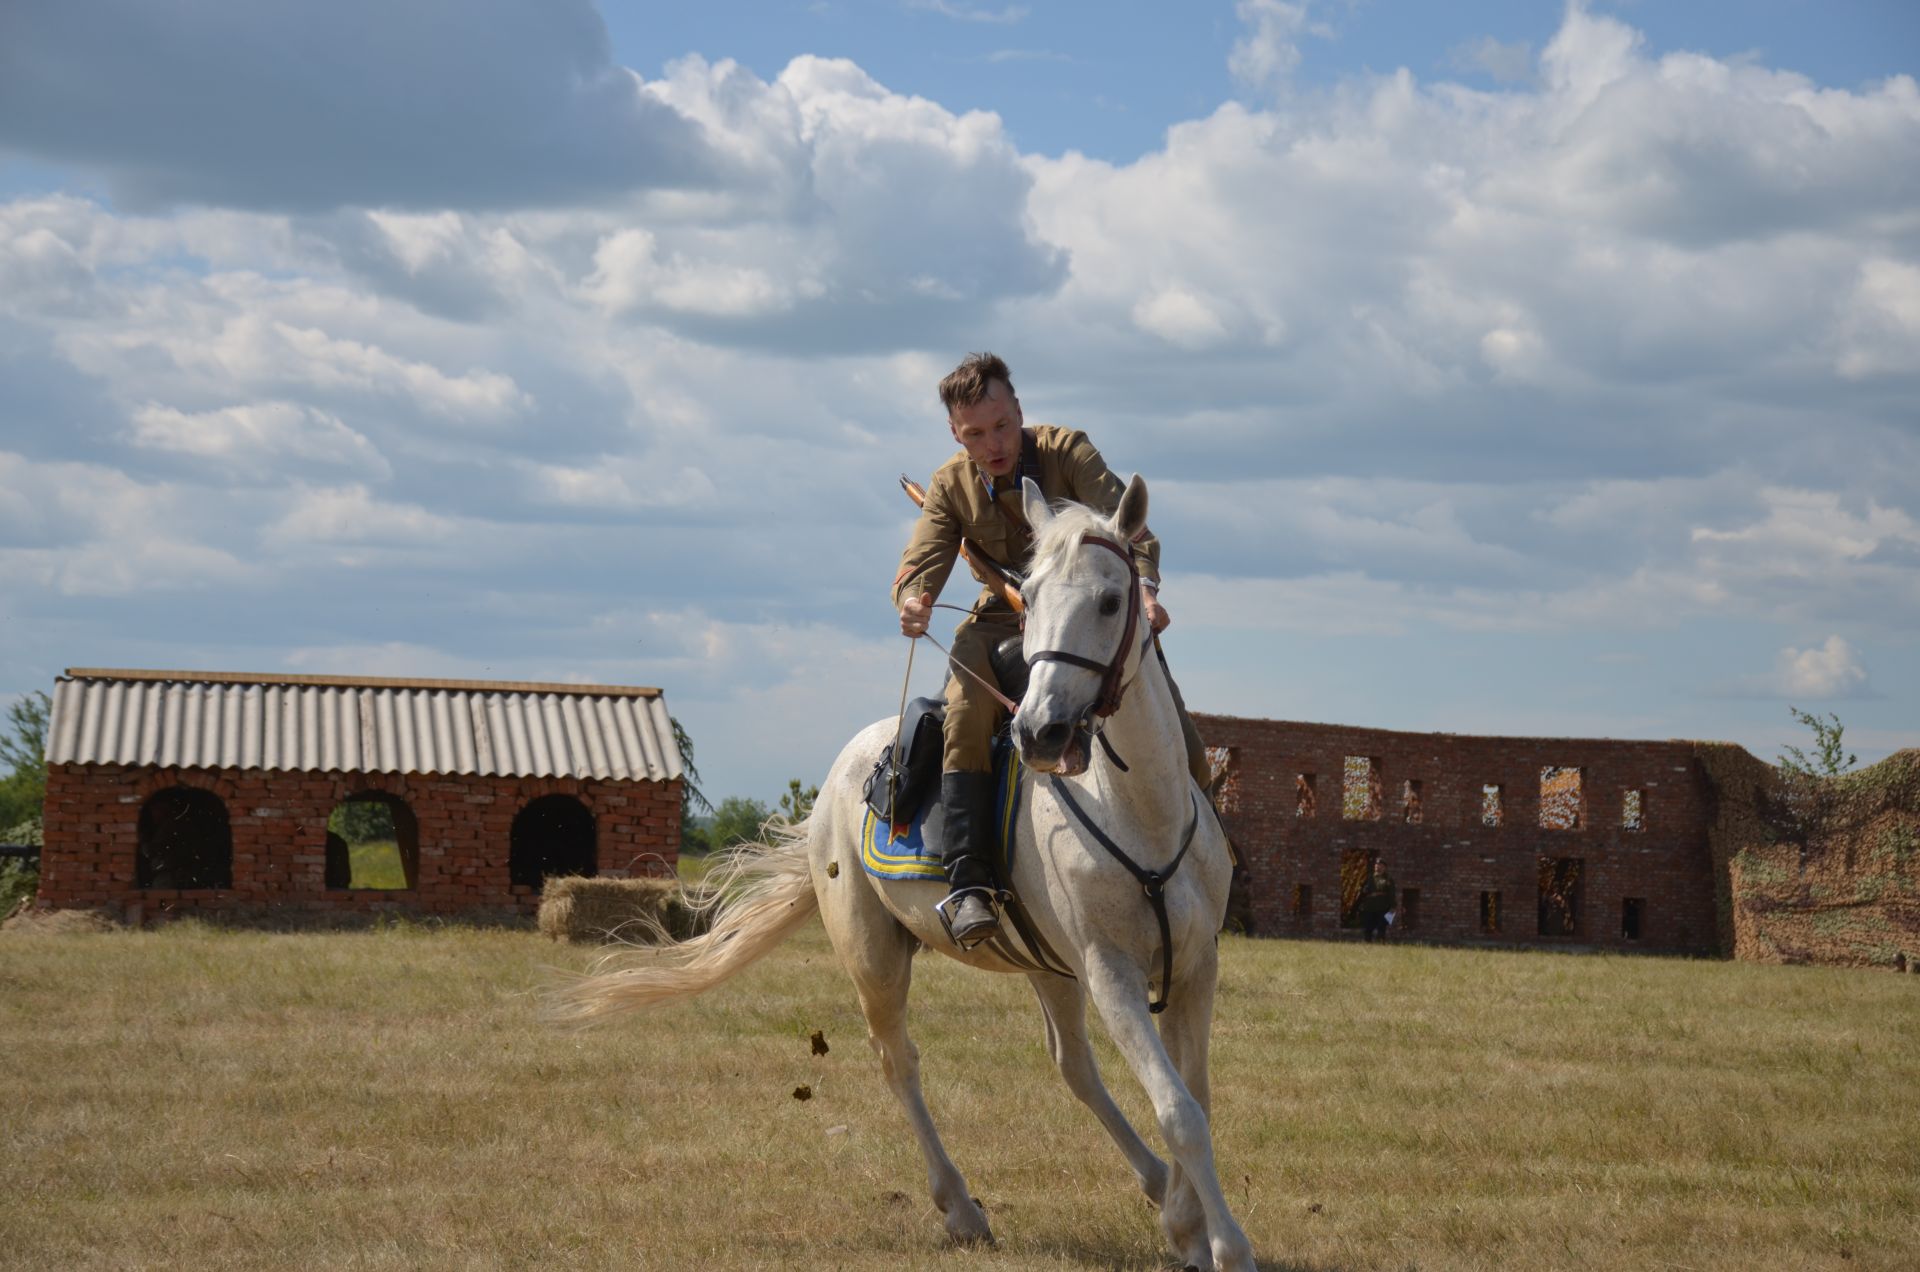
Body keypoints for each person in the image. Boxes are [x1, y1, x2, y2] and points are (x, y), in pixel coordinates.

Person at [894, 352, 1211, 946]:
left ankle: (1209, 855)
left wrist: (1145, 592)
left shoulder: (1069, 452)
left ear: (1018, 411)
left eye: (1001, 426)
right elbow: (923, 562)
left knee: (1174, 719)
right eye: (975, 434)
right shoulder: (948, 486)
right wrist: (914, 600)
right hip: (1002, 622)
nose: (993, 444)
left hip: (1086, 617)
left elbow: (1130, 528)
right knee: (964, 709)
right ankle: (968, 881)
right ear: (955, 434)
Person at [1358, 857, 1396, 943]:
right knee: (1368, 927)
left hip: (1382, 907)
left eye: (1379, 865)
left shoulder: (1388, 879)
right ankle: (1367, 943)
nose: (1377, 866)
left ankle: (1380, 943)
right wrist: (1364, 890)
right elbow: (1363, 890)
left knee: (1381, 927)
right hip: (1370, 906)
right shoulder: (1370, 878)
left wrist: (1393, 906)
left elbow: (1392, 894)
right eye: (1376, 865)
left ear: (1384, 867)